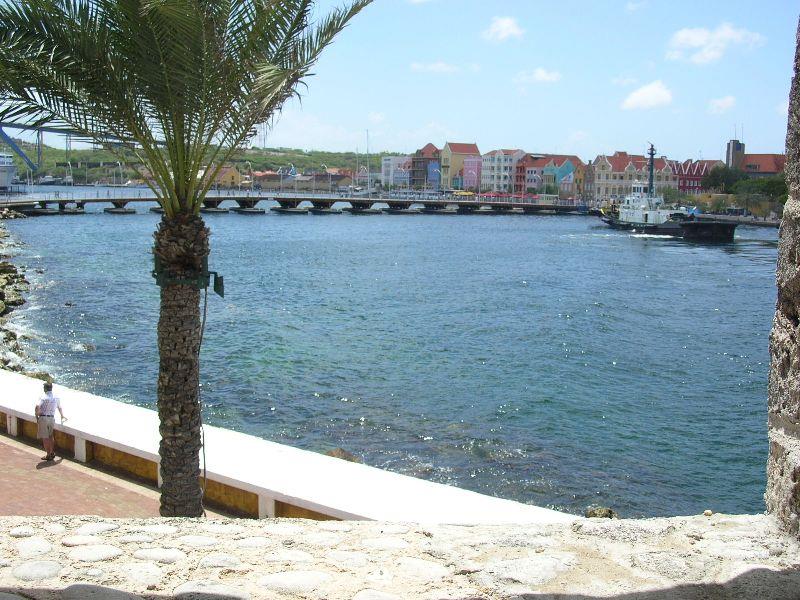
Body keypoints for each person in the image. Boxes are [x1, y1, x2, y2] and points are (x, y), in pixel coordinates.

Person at [35, 381, 65, 461]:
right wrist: (62, 415)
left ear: (45, 388)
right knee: (51, 436)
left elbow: (37, 406)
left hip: (43, 418)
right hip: (51, 418)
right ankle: (52, 452)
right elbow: (59, 407)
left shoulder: (43, 397)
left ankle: (48, 454)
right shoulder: (56, 397)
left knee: (45, 437)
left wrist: (37, 415)